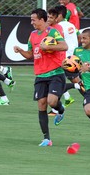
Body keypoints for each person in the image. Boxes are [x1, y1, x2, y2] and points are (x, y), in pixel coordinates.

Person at [14, 8, 68, 147]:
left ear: (42, 20)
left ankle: (60, 110)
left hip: (55, 73)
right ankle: (46, 138)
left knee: (51, 101)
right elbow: (30, 55)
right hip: (40, 75)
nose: (31, 22)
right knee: (41, 104)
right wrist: (20, 51)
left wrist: (49, 46)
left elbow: (64, 46)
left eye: (34, 19)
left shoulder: (52, 32)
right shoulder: (32, 35)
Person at [47, 7, 84, 116]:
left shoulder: (58, 27)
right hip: (73, 57)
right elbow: (79, 36)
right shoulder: (71, 25)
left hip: (64, 58)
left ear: (59, 16)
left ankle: (56, 109)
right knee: (75, 80)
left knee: (58, 82)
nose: (50, 19)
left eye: (53, 16)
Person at [75, 29, 90, 124]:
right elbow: (73, 66)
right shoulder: (77, 51)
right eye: (81, 38)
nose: (82, 40)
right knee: (89, 111)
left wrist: (89, 69)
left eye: (85, 38)